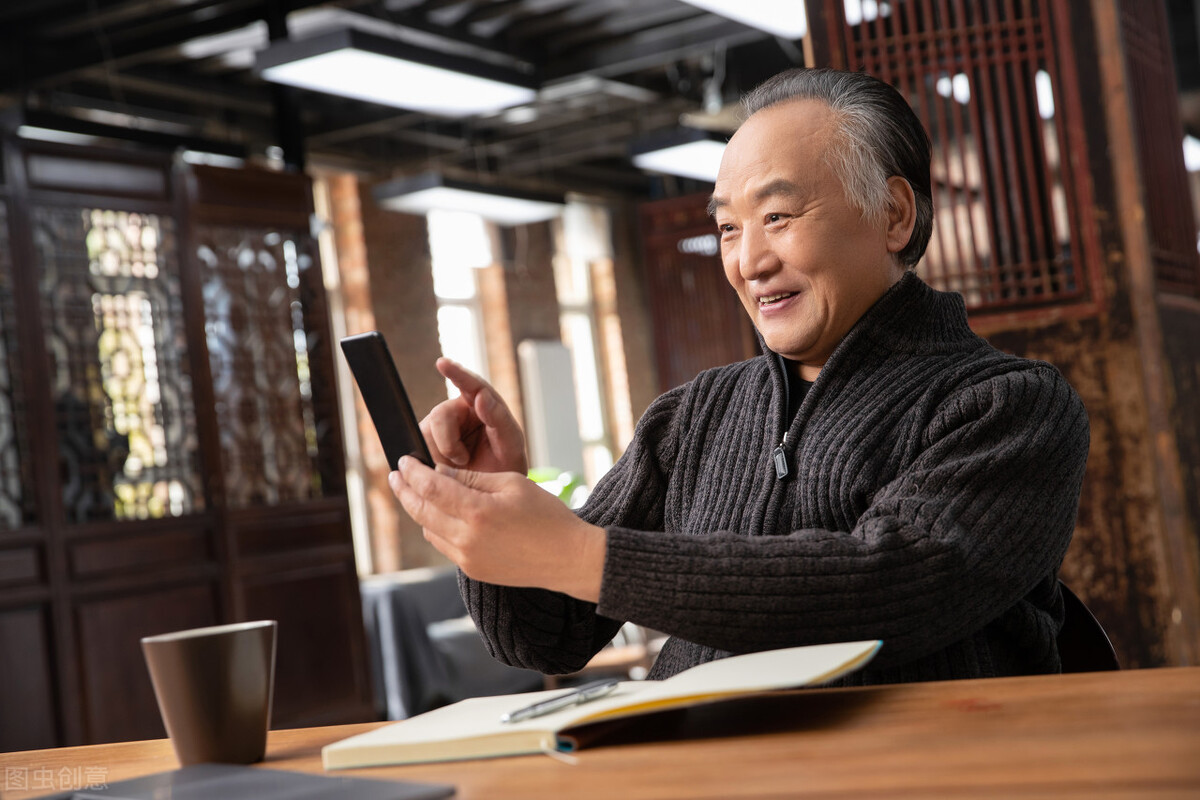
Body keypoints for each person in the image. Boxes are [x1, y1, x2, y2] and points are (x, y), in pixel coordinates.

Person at [389, 67, 1090, 684]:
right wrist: (492, 516)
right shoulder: (692, 415)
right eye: (728, 228)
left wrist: (582, 554)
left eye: (778, 216)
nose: (748, 261)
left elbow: (885, 587)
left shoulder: (1010, 406)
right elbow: (548, 637)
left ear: (894, 214)